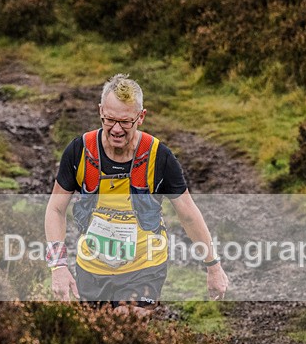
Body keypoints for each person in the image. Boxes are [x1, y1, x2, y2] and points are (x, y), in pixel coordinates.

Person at [44, 74, 228, 309]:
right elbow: (55, 209)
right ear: (100, 111)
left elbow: (188, 213)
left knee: (126, 324)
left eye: (125, 122)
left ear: (141, 117)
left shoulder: (159, 156)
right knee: (99, 339)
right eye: (109, 120)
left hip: (144, 268)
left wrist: (213, 266)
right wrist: (58, 266)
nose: (116, 129)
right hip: (91, 269)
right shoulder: (80, 151)